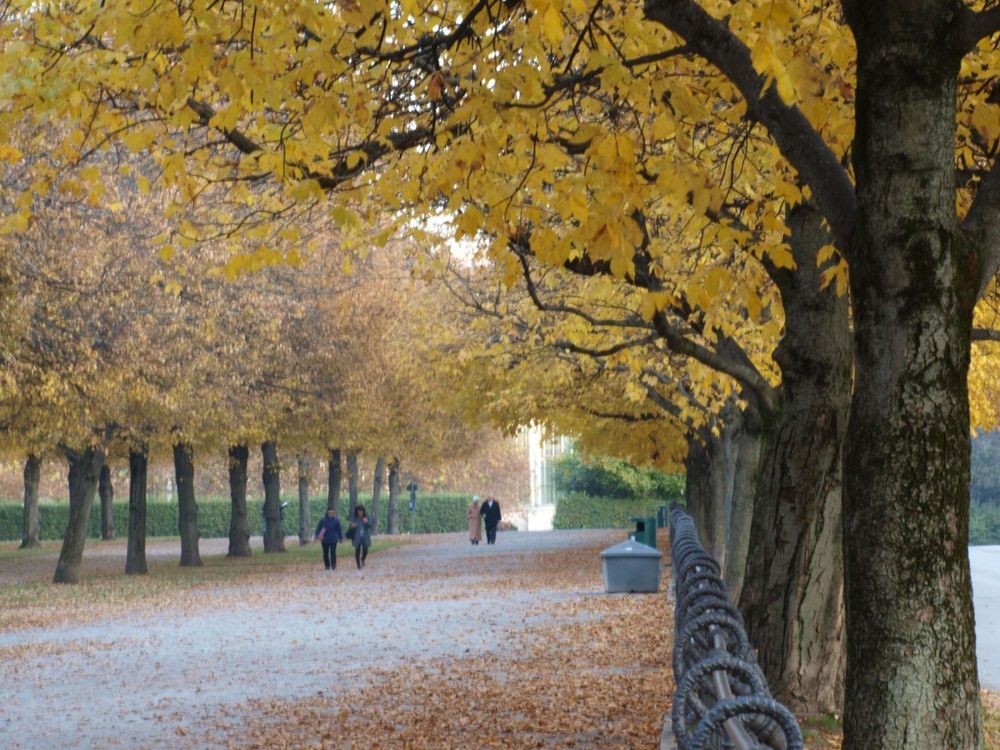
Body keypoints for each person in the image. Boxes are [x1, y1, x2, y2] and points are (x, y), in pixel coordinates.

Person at [349, 505, 373, 569]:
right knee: (357, 550)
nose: (360, 513)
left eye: (361, 512)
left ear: (363, 512)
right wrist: (352, 526)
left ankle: (362, 559)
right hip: (357, 537)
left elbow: (371, 525)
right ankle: (358, 565)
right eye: (359, 512)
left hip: (365, 537)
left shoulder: (366, 517)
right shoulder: (354, 518)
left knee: (365, 550)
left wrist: (367, 522)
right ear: (356, 512)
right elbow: (350, 525)